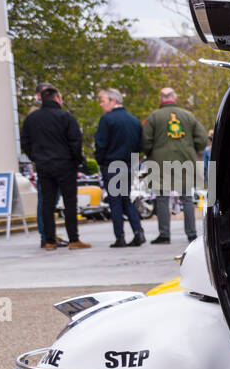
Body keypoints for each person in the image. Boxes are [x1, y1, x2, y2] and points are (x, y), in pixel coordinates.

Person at [20, 82, 89, 250]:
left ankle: (49, 240)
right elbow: (75, 141)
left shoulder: (31, 119)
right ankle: (73, 239)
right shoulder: (66, 117)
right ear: (57, 98)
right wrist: (76, 160)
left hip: (44, 165)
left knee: (47, 204)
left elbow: (25, 143)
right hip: (65, 164)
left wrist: (36, 157)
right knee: (70, 202)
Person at [142, 88, 208, 244]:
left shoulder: (153, 117)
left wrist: (150, 153)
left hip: (160, 162)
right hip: (185, 160)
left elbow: (146, 141)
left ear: (161, 98)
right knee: (187, 198)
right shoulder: (188, 116)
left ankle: (164, 235)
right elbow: (202, 138)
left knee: (162, 198)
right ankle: (191, 234)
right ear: (174, 97)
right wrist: (195, 150)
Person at [94, 88, 145, 247]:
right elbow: (140, 145)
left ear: (113, 101)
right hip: (128, 164)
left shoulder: (107, 120)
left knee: (115, 202)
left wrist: (100, 161)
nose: (101, 105)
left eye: (103, 101)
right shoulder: (134, 121)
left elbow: (100, 144)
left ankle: (120, 236)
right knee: (126, 199)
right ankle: (138, 231)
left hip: (111, 164)